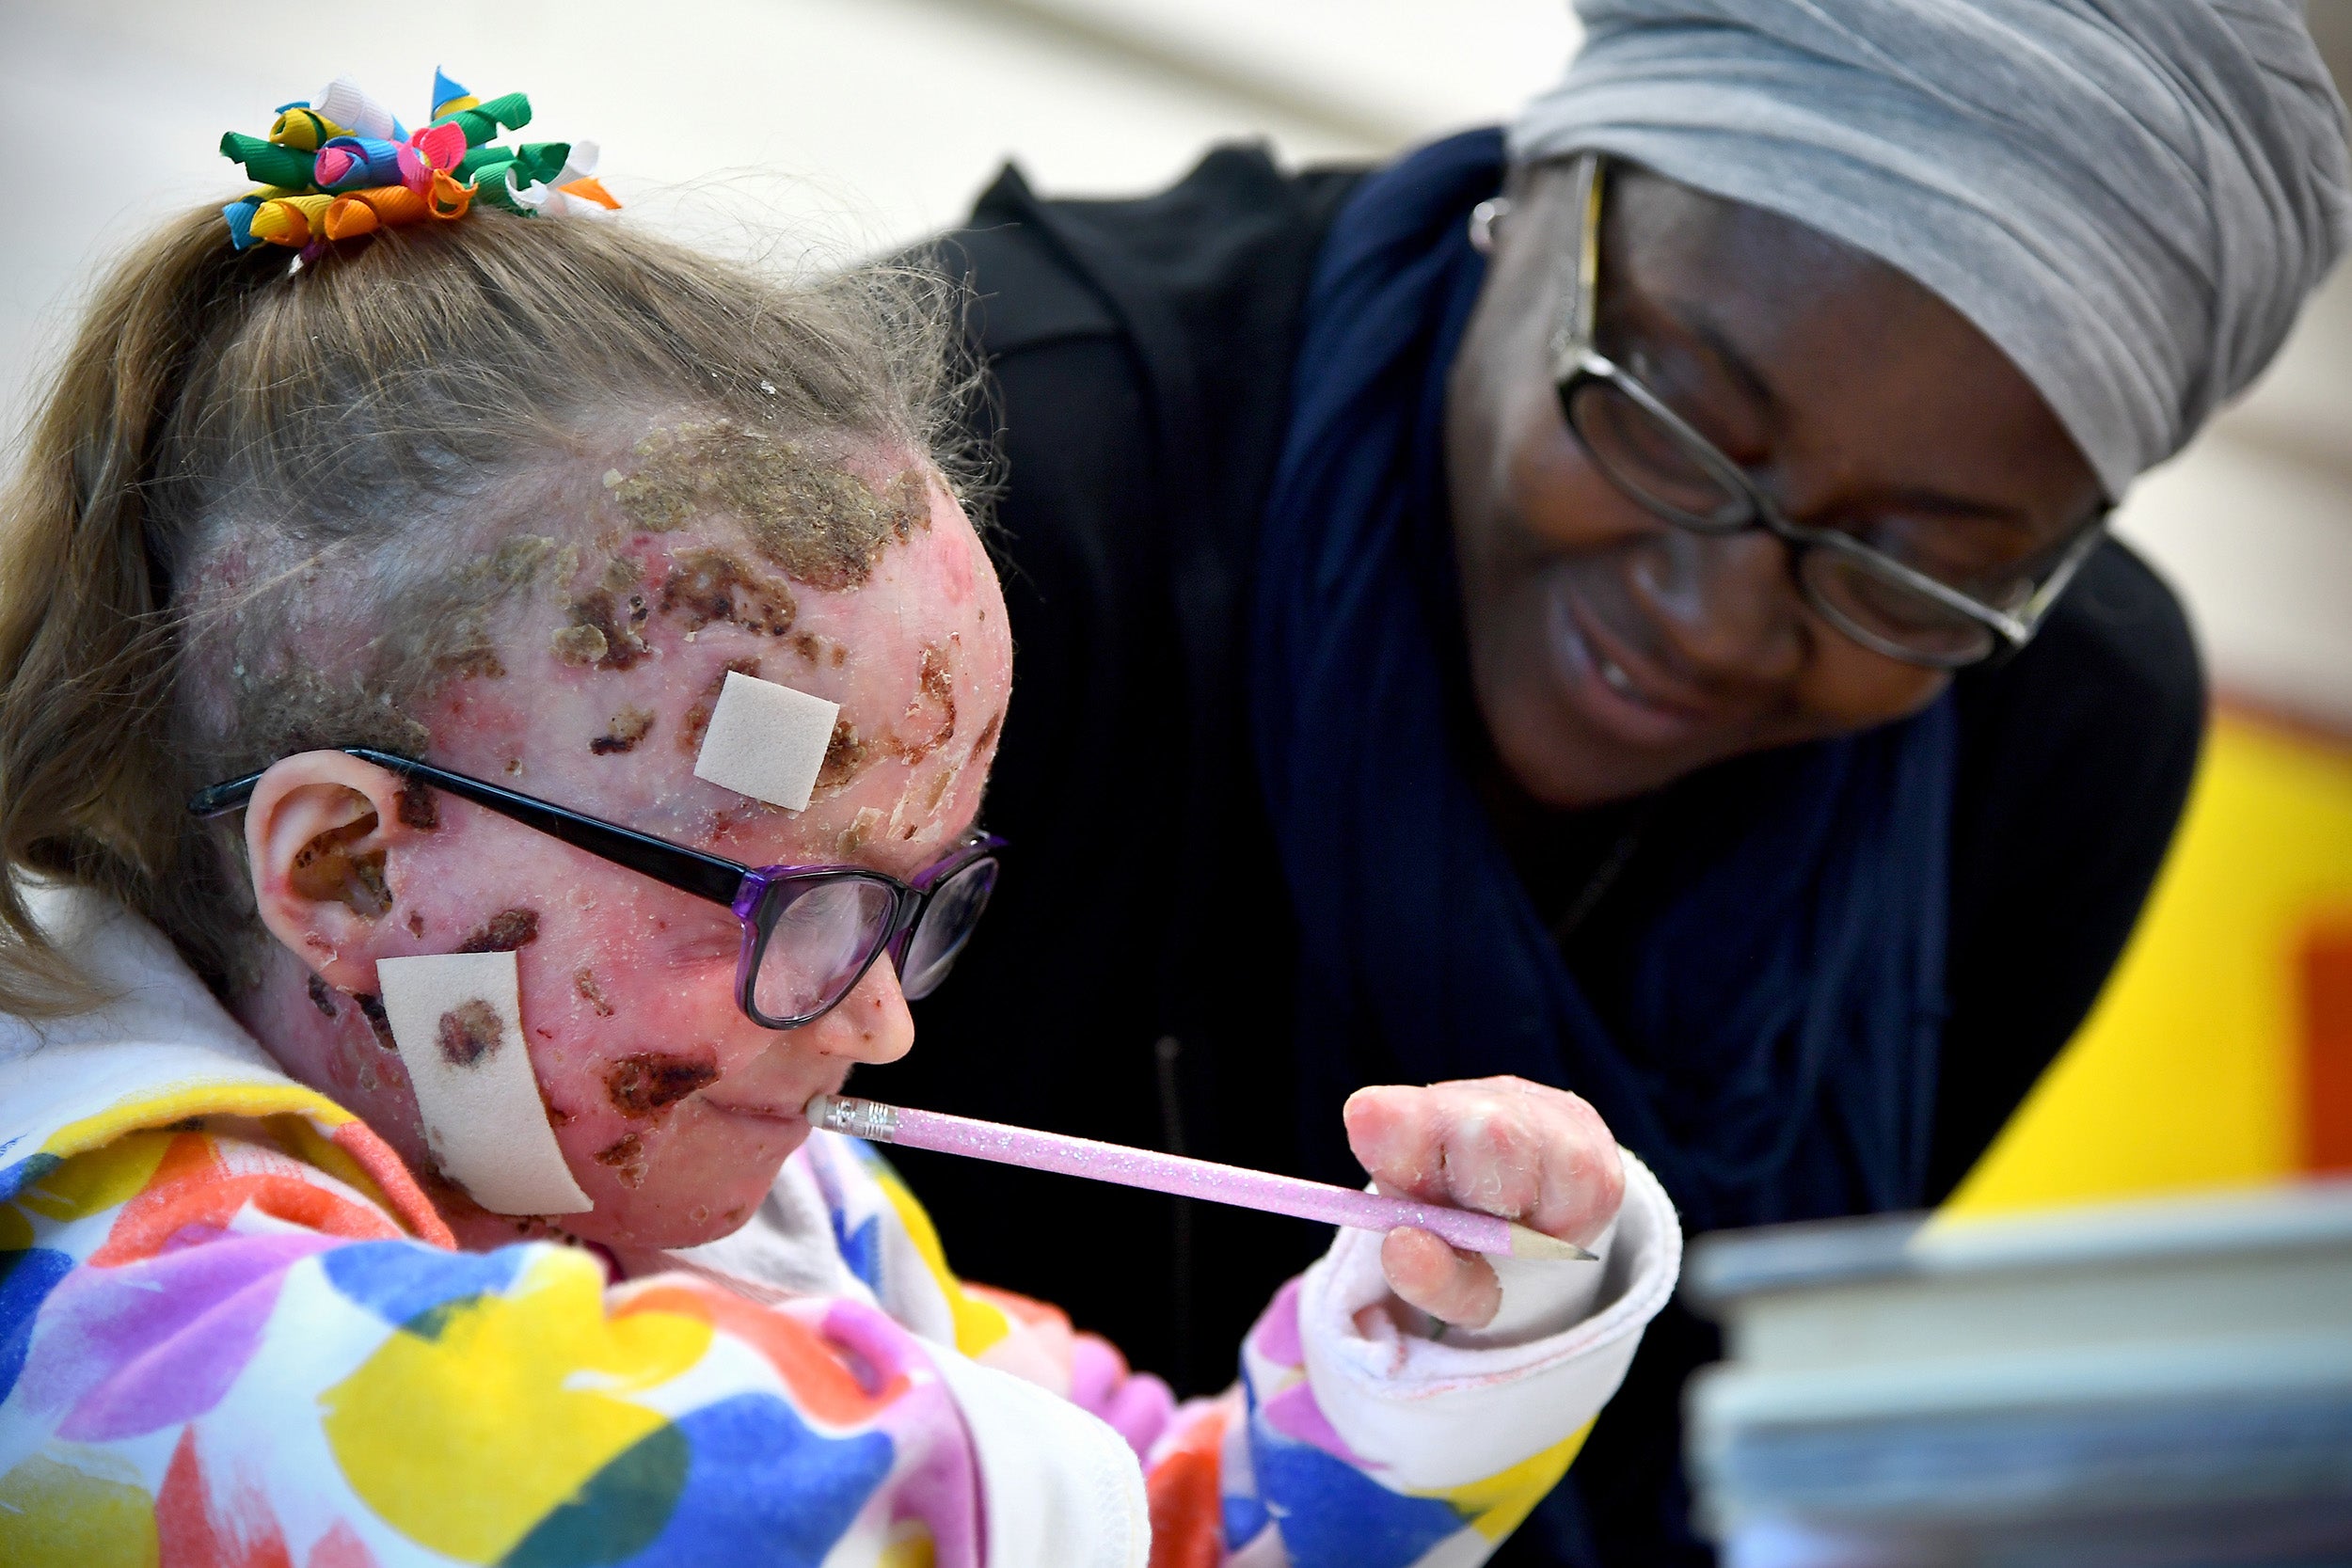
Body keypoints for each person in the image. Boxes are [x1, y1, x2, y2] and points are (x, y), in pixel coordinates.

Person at [0, 74, 1681, 1565]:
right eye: (791, 902)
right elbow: (614, 1484)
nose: (878, 1020)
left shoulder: (796, 1216)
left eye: (918, 898)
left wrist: (1448, 1342)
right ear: (348, 866)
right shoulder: (108, 1290)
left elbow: (1160, 1520)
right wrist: (1011, 1486)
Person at [876, 1, 2352, 1562]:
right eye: (1673, 420)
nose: (1716, 619)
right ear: (1540, 199)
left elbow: (1730, 1388)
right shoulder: (979, 493)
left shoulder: (2051, 734)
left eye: (1911, 568)